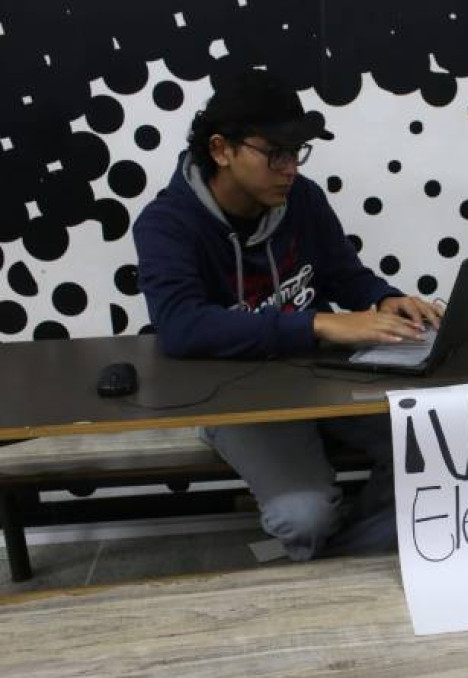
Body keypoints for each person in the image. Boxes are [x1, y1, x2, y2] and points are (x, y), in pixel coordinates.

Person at [133, 69, 442, 560]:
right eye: (275, 153)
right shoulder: (165, 224)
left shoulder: (303, 199)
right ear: (221, 150)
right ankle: (330, 557)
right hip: (233, 396)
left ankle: (335, 563)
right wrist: (317, 322)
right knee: (304, 518)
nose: (291, 168)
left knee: (435, 449)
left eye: (296, 152)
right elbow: (181, 328)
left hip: (316, 376)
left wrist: (384, 297)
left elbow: (345, 274)